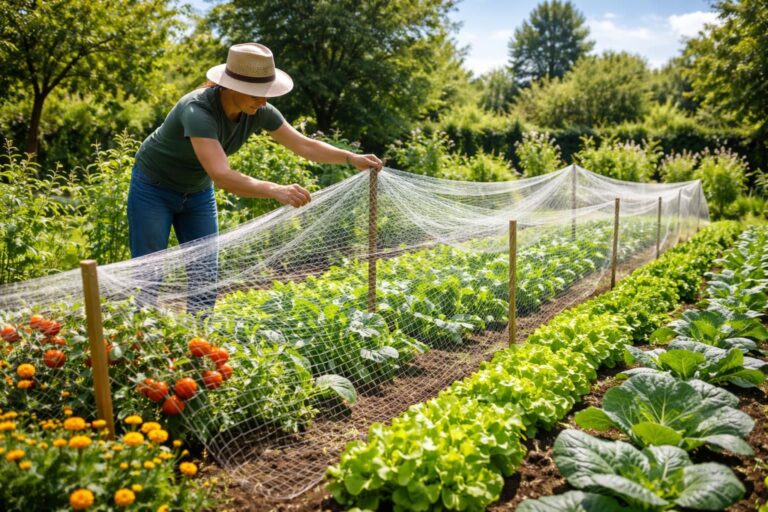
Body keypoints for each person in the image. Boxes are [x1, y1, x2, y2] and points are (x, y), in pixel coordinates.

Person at [128, 42, 383, 314]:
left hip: (198, 193)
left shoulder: (260, 111)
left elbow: (304, 145)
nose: (263, 101)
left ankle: (198, 347)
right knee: (150, 272)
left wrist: (350, 157)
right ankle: (142, 345)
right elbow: (222, 175)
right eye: (256, 93)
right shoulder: (197, 110)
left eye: (266, 93)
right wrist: (275, 189)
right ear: (231, 86)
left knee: (205, 274)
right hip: (153, 189)